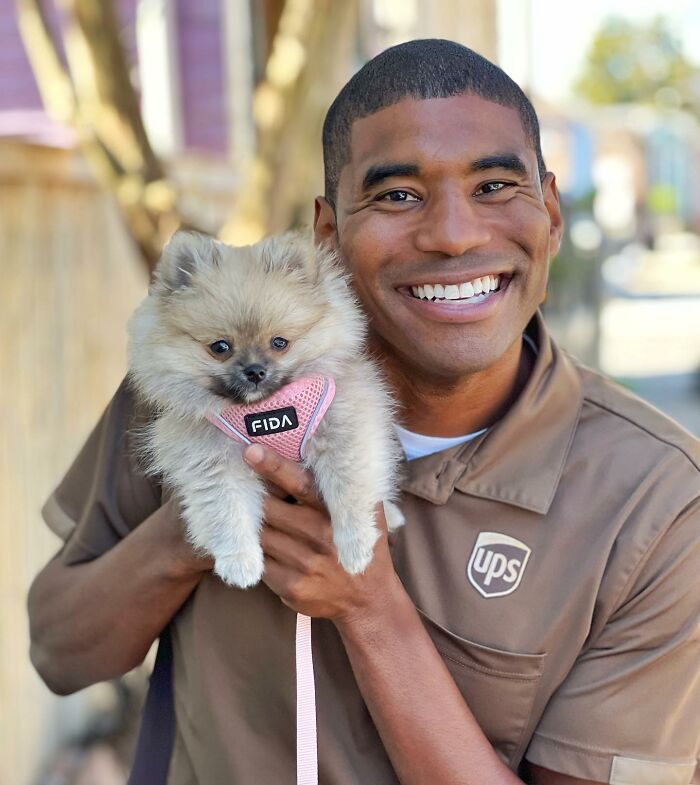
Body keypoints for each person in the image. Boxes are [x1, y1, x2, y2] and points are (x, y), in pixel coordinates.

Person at [29, 39, 699, 785]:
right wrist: (200, 518)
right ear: (325, 233)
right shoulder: (193, 392)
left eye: (493, 186)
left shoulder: (658, 502)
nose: (452, 233)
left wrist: (371, 607)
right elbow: (60, 653)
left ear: (549, 212)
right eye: (398, 195)